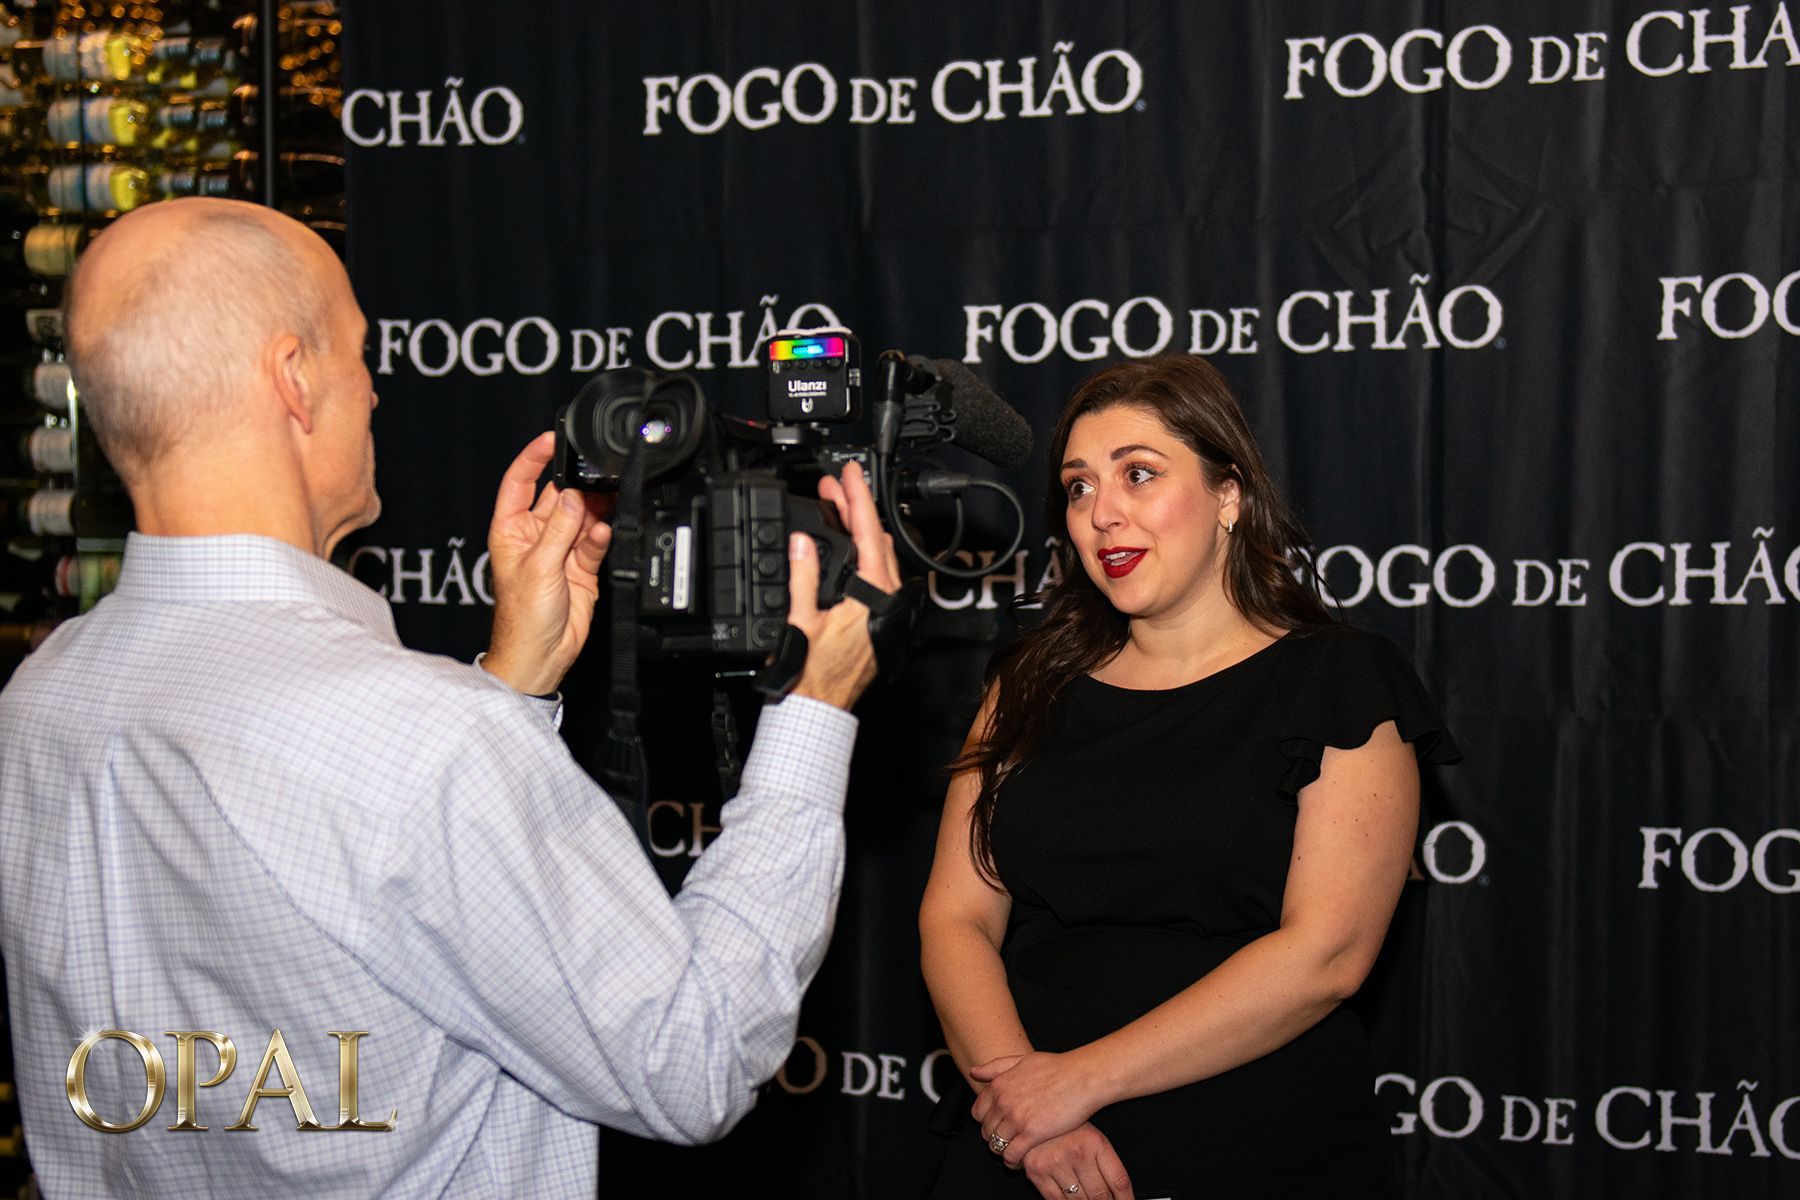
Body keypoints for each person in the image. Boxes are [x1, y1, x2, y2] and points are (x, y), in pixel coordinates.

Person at [0, 197, 900, 1197]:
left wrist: (514, 684)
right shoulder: (418, 738)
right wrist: (814, 711)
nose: (375, 390)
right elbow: (693, 1057)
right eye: (358, 353)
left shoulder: (41, 697)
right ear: (293, 378)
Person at [919, 356, 1459, 1200]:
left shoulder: (1336, 680)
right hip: (1020, 1147)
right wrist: (1025, 1107)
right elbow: (955, 918)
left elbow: (1328, 953)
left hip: (1250, 1145)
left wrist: (1076, 1083)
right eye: (1079, 487)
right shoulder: (1026, 686)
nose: (1102, 513)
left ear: (1228, 496)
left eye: (1138, 474)